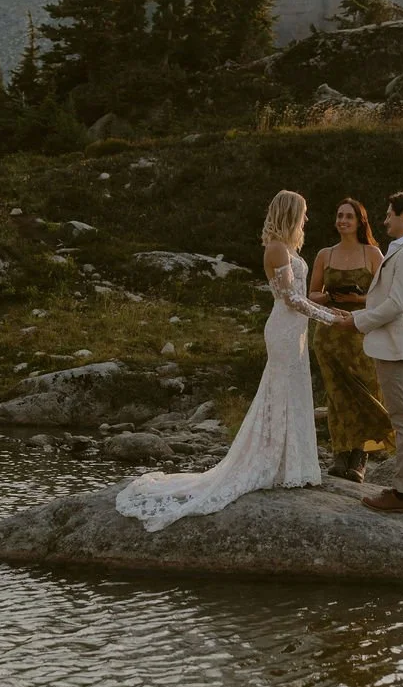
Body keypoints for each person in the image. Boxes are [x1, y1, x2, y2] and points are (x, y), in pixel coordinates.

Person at [115, 190, 337, 531]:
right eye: (303, 214)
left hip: (297, 332)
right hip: (283, 330)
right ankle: (274, 464)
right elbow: (290, 298)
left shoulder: (289, 249)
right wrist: (329, 318)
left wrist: (327, 303)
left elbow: (301, 293)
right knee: (279, 392)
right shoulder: (276, 248)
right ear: (290, 213)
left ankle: (292, 465)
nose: (306, 220)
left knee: (295, 391)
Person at [332, 190, 403, 513]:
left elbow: (395, 305)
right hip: (400, 342)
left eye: (390, 213)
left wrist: (356, 321)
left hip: (394, 344)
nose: (385, 219)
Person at [309, 197, 394, 482]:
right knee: (336, 395)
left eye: (349, 216)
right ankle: (339, 454)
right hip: (329, 332)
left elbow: (386, 295)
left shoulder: (373, 253)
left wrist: (358, 298)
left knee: (364, 391)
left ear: (360, 222)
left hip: (361, 331)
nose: (343, 221)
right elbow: (311, 294)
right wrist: (331, 296)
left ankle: (361, 455)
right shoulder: (325, 254)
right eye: (340, 215)